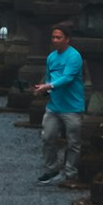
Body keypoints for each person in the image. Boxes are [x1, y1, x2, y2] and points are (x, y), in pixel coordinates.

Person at [34, 23, 85, 184]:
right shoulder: (51, 57)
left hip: (72, 106)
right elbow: (49, 77)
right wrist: (44, 88)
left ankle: (71, 172)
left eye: (59, 37)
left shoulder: (74, 56)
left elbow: (68, 77)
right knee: (47, 136)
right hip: (54, 105)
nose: (55, 40)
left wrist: (49, 86)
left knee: (73, 142)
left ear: (67, 39)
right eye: (53, 37)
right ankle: (51, 169)